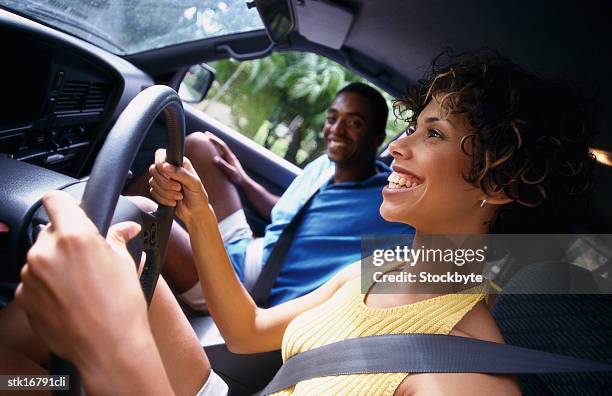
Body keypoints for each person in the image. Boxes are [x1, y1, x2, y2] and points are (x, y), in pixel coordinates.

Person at [5, 51, 595, 395]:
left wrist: (113, 351)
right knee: (121, 260)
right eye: (412, 126)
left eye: (432, 135)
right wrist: (201, 215)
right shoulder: (382, 268)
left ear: (496, 183)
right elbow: (247, 331)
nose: (395, 148)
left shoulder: (466, 375)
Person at [129, 82, 413, 309]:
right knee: (200, 146)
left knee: (139, 212)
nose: (336, 129)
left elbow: (438, 259)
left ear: (377, 139)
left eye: (355, 123)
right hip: (250, 249)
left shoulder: (389, 208)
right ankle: (101, 214)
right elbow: (288, 214)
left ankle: (98, 227)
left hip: (243, 285)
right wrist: (243, 180)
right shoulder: (322, 166)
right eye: (332, 118)